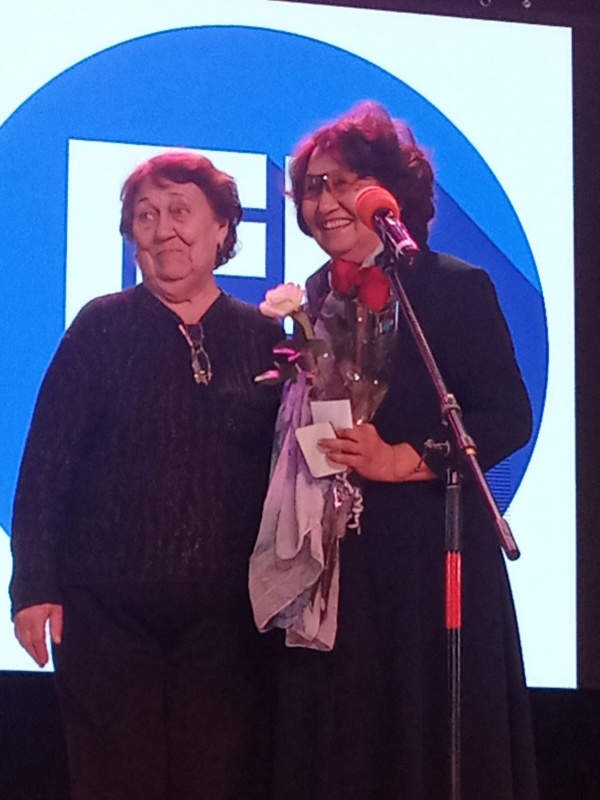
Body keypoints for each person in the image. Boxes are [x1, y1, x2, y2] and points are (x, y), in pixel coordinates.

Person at [271, 103, 539, 799]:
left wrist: (406, 459)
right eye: (314, 186)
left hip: (430, 556)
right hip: (340, 564)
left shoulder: (452, 286)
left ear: (388, 192)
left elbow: (507, 416)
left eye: (345, 182)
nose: (326, 200)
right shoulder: (312, 300)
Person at [9, 151, 283, 800]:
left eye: (181, 211)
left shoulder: (266, 338)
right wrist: (32, 587)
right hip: (104, 614)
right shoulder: (100, 327)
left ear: (222, 228)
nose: (164, 230)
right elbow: (47, 463)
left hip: (228, 620)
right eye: (145, 215)